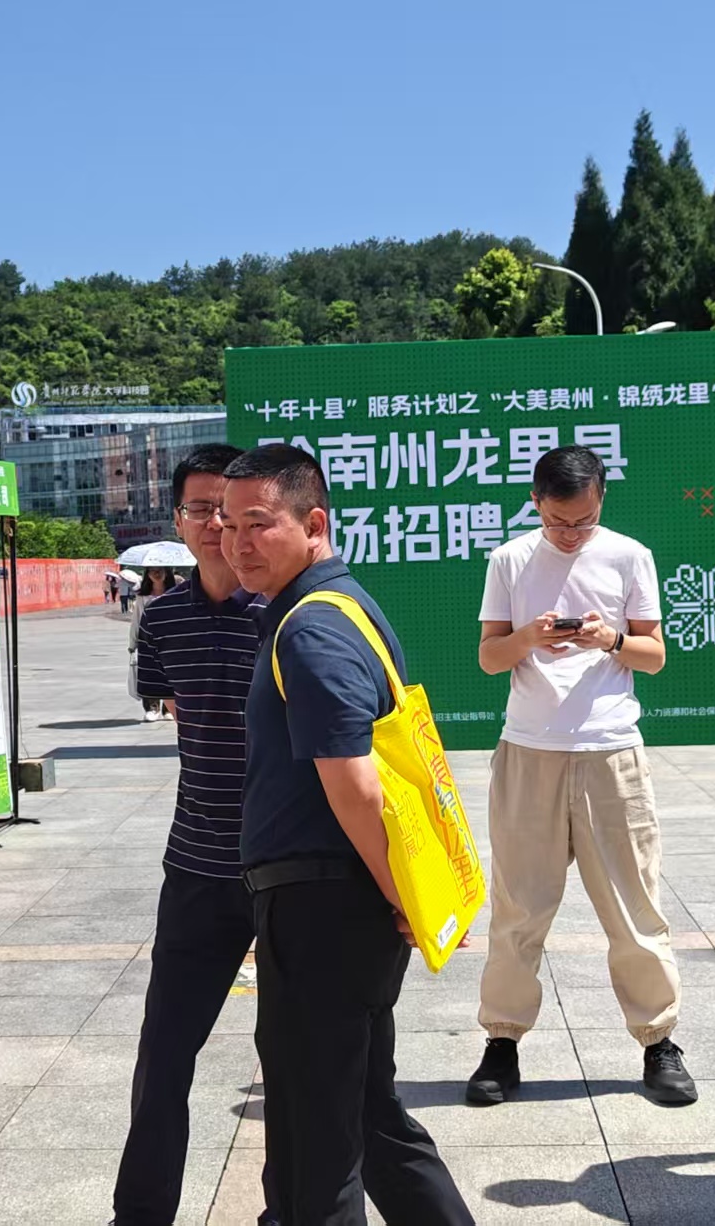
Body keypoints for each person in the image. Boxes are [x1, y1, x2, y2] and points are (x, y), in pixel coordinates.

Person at [222, 443, 471, 1226]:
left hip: (322, 912)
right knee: (364, 1114)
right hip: (338, 906)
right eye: (228, 524)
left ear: (315, 523)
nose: (238, 542)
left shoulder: (312, 630)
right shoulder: (344, 607)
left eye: (258, 523)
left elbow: (354, 784)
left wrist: (407, 898)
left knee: (316, 1149)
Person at [467, 444, 697, 1110]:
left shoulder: (629, 555)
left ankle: (659, 1041)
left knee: (634, 907)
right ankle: (502, 1041)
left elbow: (653, 654)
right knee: (518, 909)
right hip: (527, 749)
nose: (570, 534)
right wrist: (530, 637)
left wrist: (610, 640)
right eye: (558, 521)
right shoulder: (510, 559)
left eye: (584, 520)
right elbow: (489, 656)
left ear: (601, 500)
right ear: (535, 502)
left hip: (610, 751)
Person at [112, 444, 278, 1226]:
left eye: (229, 510)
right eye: (201, 510)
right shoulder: (162, 618)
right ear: (177, 520)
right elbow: (175, 708)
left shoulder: (284, 612)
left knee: (295, 1058)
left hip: (285, 867)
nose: (216, 525)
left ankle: (291, 1209)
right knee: (164, 1052)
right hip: (197, 867)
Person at [128, 567, 176, 720]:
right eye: (152, 571)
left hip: (171, 639)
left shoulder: (176, 593)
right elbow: (136, 619)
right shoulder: (142, 596)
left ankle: (168, 709)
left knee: (171, 674)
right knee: (150, 673)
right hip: (147, 640)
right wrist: (132, 642)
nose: (157, 574)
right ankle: (152, 707)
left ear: (167, 573)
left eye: (160, 570)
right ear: (147, 574)